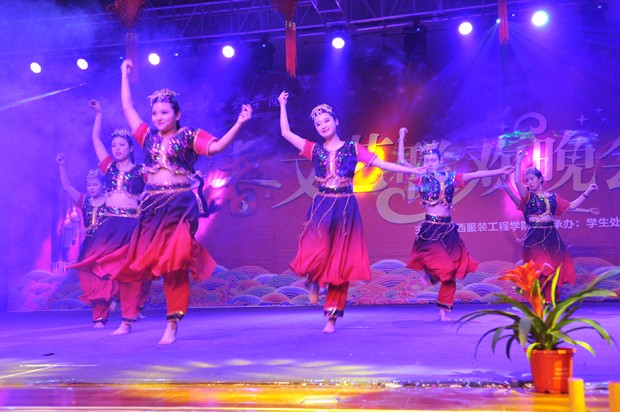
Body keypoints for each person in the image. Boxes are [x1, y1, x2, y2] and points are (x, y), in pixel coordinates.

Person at [99, 59, 253, 345]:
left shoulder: (190, 135)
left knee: (175, 261)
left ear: (177, 114)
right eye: (155, 113)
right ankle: (128, 317)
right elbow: (127, 108)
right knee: (137, 261)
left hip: (180, 205)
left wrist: (239, 123)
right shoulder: (147, 137)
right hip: (152, 206)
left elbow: (217, 147)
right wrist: (123, 74)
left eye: (164, 112)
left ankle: (172, 322)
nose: (158, 117)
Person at [278, 92, 426, 333]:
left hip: (346, 207)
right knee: (315, 247)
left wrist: (413, 171)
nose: (322, 125)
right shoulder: (314, 149)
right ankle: (314, 278)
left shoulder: (352, 148)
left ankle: (331, 317)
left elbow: (382, 164)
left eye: (326, 120)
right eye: (318, 123)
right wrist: (282, 105)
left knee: (341, 262)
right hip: (322, 204)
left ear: (336, 121)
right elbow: (286, 133)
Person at [397, 127, 514, 321]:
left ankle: (444, 309)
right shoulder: (420, 177)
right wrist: (401, 138)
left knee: (451, 270)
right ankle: (426, 272)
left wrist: (499, 170)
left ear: (440, 161)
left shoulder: (450, 178)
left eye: (433, 160)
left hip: (448, 229)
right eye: (427, 160)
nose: (430, 163)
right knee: (435, 263)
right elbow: (402, 161)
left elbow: (475, 174)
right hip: (430, 228)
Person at [67, 100, 147, 327]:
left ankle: (127, 305)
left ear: (131, 148)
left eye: (122, 145)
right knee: (96, 265)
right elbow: (95, 140)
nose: (117, 148)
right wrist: (99, 114)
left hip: (132, 224)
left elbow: (157, 185)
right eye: (114, 146)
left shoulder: (141, 170)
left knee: (132, 267)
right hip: (109, 225)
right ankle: (102, 311)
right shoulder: (109, 168)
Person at [513, 149, 598, 300]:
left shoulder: (553, 197)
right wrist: (519, 160)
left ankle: (549, 299)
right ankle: (539, 298)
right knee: (540, 267)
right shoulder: (528, 196)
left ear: (540, 179)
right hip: (535, 237)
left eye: (532, 179)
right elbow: (517, 183)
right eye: (527, 180)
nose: (529, 182)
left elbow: (571, 206)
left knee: (551, 268)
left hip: (551, 236)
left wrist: (588, 192)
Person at [57, 153, 111, 327]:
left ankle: (104, 313)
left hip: (106, 246)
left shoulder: (111, 202)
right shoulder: (85, 202)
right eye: (89, 185)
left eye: (95, 184)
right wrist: (62, 166)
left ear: (103, 185)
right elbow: (67, 187)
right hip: (89, 247)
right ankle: (101, 313)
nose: (91, 188)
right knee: (90, 281)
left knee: (104, 281)